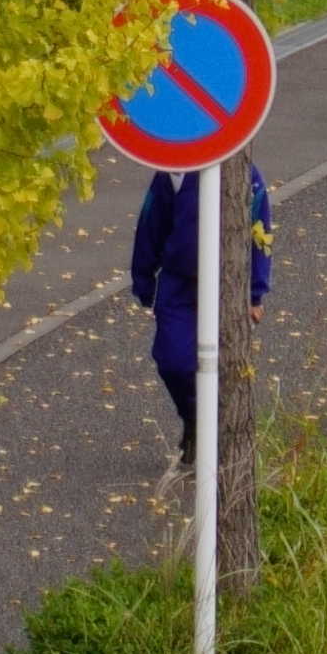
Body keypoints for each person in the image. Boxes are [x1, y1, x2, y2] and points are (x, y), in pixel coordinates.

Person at [128, 160, 273, 461]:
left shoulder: (246, 174)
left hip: (228, 286)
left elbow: (260, 232)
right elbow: (151, 223)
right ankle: (196, 421)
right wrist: (144, 279)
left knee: (225, 368)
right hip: (179, 284)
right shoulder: (175, 171)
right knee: (173, 361)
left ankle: (221, 440)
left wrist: (254, 292)